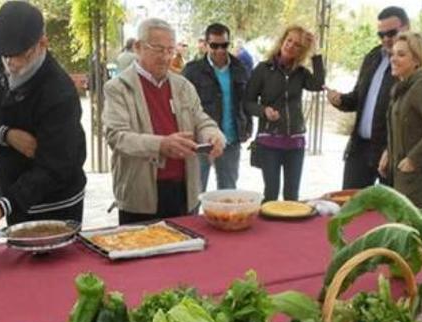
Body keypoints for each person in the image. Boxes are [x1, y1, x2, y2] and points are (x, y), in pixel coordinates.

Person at [0, 1, 88, 235]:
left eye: (21, 56)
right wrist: (5, 134)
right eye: (6, 56)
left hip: (57, 199)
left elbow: (56, 165)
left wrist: (6, 202)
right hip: (12, 189)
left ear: (42, 43)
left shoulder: (59, 91)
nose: (12, 64)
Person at [104, 18, 224, 225]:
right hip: (140, 195)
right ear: (138, 47)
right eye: (158, 49)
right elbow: (116, 137)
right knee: (142, 254)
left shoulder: (183, 85)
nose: (166, 57)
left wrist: (213, 134)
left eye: (170, 50)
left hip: (184, 191)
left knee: (186, 253)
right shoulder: (119, 88)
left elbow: (201, 119)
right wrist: (161, 145)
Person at [326, 6, 422, 190]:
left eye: (391, 33)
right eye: (380, 35)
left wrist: (402, 153)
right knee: (351, 209)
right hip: (360, 150)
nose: (386, 39)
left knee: (389, 215)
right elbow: (359, 98)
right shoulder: (373, 57)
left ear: (407, 27)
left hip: (394, 154)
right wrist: (340, 100)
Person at [244, 25, 324, 201]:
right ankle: (269, 229)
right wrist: (264, 111)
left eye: (297, 45)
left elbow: (318, 84)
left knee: (292, 196)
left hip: (295, 144)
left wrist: (316, 53)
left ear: (301, 51)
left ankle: (290, 229)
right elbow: (247, 102)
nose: (290, 46)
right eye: (289, 41)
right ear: (282, 41)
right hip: (269, 142)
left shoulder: (301, 73)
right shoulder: (263, 69)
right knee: (271, 194)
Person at [378, 32, 422, 208]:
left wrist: (413, 159)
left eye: (401, 55)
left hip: (419, 183)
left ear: (417, 60)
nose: (393, 59)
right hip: (401, 179)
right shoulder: (403, 88)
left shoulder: (421, 88)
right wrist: (389, 152)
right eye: (392, 54)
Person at [183, 23, 251, 191]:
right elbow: (184, 106)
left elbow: (246, 101)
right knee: (195, 193)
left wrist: (248, 125)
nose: (220, 50)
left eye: (224, 45)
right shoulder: (192, 71)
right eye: (214, 45)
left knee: (228, 194)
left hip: (231, 141)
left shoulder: (240, 69)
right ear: (206, 45)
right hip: (201, 144)